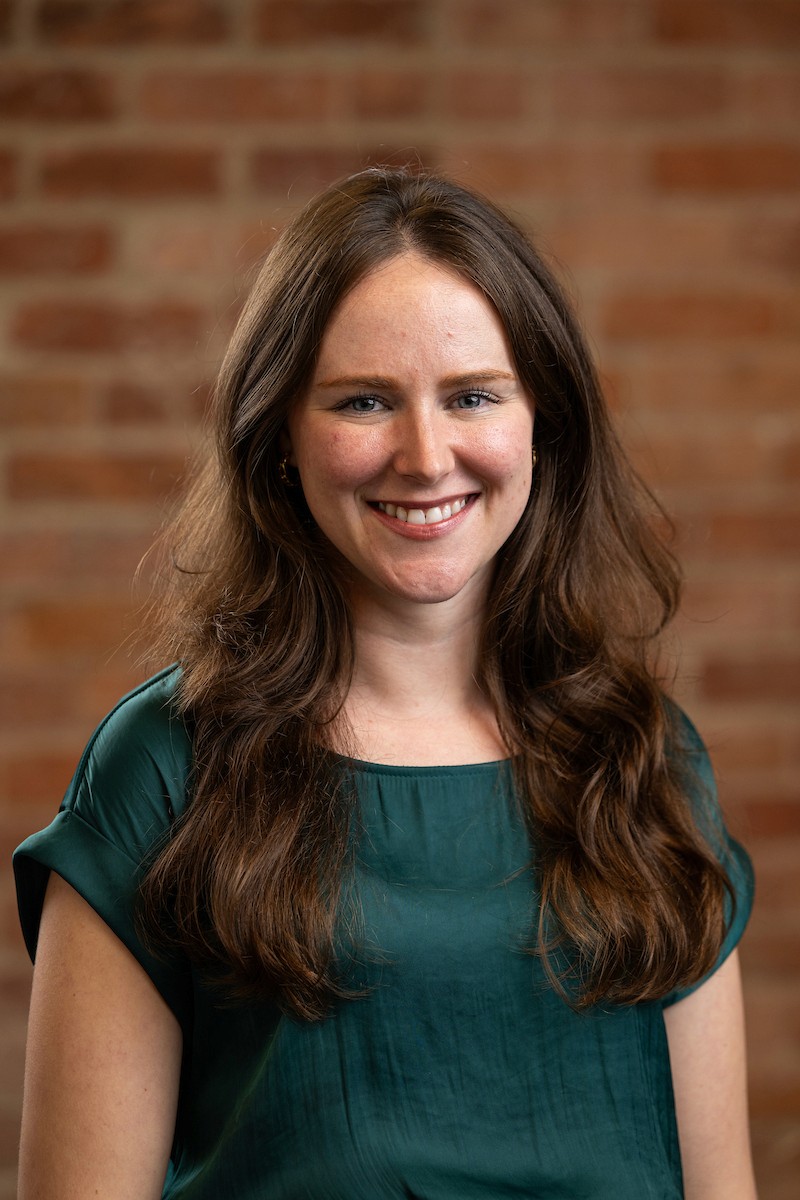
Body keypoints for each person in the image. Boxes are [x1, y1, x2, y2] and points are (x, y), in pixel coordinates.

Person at [14, 167, 756, 1200]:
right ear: (279, 436)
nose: (423, 454)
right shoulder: (164, 766)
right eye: (362, 401)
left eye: (471, 397)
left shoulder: (643, 756)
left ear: (542, 423)